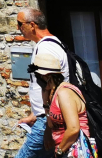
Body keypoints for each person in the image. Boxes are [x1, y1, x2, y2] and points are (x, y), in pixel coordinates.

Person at [15, 8, 69, 158]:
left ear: (32, 25)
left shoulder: (46, 49)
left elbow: (52, 88)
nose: (18, 28)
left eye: (20, 24)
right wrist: (34, 114)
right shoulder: (50, 44)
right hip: (46, 119)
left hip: (47, 122)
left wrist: (48, 128)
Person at [33, 49, 95, 157]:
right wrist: (45, 101)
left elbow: (73, 129)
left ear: (46, 76)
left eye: (38, 77)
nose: (37, 81)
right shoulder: (53, 93)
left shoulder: (65, 93)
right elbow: (52, 124)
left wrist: (60, 151)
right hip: (66, 150)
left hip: (76, 151)